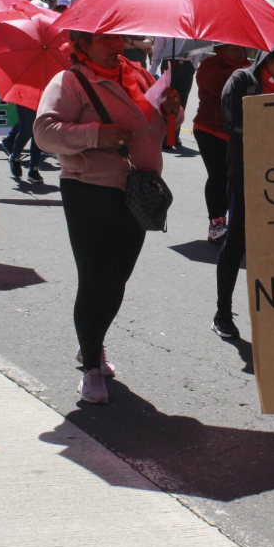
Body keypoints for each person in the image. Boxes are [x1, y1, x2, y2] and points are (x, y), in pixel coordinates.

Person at [34, 30, 181, 404]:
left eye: (118, 37)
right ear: (81, 46)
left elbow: (160, 126)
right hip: (89, 188)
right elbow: (44, 132)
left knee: (117, 279)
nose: (116, 44)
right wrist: (96, 134)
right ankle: (91, 367)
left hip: (139, 189)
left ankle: (92, 341)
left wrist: (172, 110)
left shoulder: (140, 74)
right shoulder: (70, 81)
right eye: (105, 40)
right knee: (95, 278)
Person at [212, 36, 274, 340]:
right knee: (236, 242)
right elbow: (232, 123)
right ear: (267, 59)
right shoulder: (243, 80)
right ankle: (222, 312)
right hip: (246, 174)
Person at [192, 43, 249, 242]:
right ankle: (216, 222)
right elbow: (216, 87)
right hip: (210, 129)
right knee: (218, 176)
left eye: (241, 47)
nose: (240, 50)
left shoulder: (248, 66)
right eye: (234, 47)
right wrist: (239, 71)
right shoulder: (210, 65)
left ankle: (235, 222)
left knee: (237, 179)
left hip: (238, 132)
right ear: (222, 48)